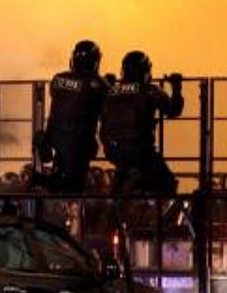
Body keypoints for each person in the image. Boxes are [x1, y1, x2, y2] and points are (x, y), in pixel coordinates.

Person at [100, 51, 184, 195]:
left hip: (113, 152)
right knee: (168, 183)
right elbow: (173, 111)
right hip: (141, 152)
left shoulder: (110, 91)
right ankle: (156, 213)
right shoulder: (150, 90)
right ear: (145, 71)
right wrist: (176, 87)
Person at [33, 40, 111, 193]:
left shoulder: (57, 80)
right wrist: (108, 83)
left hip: (54, 140)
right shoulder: (97, 84)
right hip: (78, 144)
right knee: (74, 187)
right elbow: (108, 102)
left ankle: (44, 180)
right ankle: (45, 182)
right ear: (95, 62)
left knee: (64, 179)